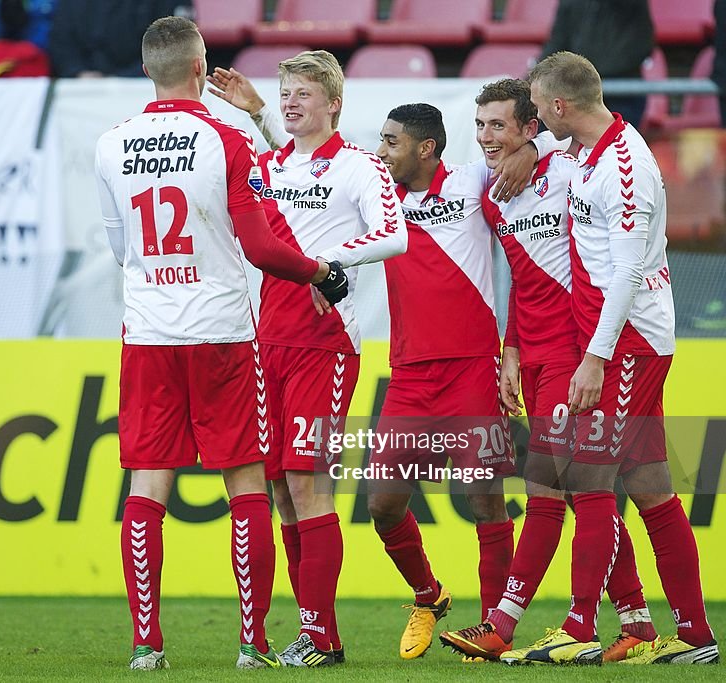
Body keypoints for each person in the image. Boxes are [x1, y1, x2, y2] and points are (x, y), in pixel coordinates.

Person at [227, 78, 542, 659]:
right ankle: (429, 594)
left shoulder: (472, 183)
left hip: (473, 366)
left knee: (485, 499)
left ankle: (500, 631)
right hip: (410, 375)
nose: (381, 152)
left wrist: (531, 145)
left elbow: (531, 156)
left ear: (425, 148)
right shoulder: (378, 195)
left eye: (391, 143)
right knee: (382, 504)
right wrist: (264, 116)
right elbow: (305, 178)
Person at [94, 17, 347, 671]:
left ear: (148, 70)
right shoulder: (226, 140)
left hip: (148, 330)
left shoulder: (111, 144)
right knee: (245, 484)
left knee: (148, 484)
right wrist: (321, 271)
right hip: (224, 334)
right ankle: (251, 644)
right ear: (202, 71)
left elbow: (120, 247)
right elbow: (263, 247)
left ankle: (147, 646)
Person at [505, 51, 718, 665]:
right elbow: (557, 151)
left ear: (561, 106)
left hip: (627, 341)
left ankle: (578, 627)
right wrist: (531, 150)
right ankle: (696, 637)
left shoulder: (626, 167)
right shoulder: (586, 151)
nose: (537, 121)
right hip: (620, 338)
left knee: (588, 480)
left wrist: (595, 358)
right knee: (650, 487)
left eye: (541, 111)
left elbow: (626, 269)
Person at [438, 79, 658, 662]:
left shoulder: (567, 170)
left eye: (500, 125)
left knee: (561, 491)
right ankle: (635, 620)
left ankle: (510, 624)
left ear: (531, 127)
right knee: (571, 490)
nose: (487, 137)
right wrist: (510, 349)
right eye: (480, 125)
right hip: (531, 357)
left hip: (573, 354)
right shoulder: (492, 198)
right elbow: (520, 277)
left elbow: (583, 151)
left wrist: (538, 152)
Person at [208, 50, 408, 667]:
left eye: (303, 93)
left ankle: (320, 636)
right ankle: (316, 633)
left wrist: (333, 266)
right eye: (285, 91)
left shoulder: (360, 167)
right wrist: (260, 114)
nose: (292, 101)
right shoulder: (269, 165)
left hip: (326, 346)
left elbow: (394, 234)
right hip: (269, 339)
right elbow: (279, 203)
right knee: (281, 490)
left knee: (308, 483)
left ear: (334, 103)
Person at [540, 0, 654, 129]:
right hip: (579, 85)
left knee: (617, 141)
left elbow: (642, 42)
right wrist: (536, 77)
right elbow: (558, 41)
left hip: (622, 90)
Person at [51, 0, 194, 78]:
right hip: (82, 88)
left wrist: (121, 78)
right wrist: (78, 72)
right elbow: (60, 40)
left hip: (145, 86)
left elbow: (173, 43)